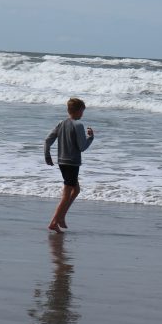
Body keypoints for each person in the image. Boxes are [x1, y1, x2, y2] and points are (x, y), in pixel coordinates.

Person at [44, 97, 95, 233]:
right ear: (78, 111)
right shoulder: (78, 125)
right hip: (72, 163)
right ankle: (54, 222)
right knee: (67, 194)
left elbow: (47, 140)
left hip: (62, 162)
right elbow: (82, 147)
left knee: (76, 190)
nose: (82, 114)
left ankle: (61, 217)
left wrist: (47, 155)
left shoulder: (61, 123)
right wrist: (90, 138)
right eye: (82, 111)